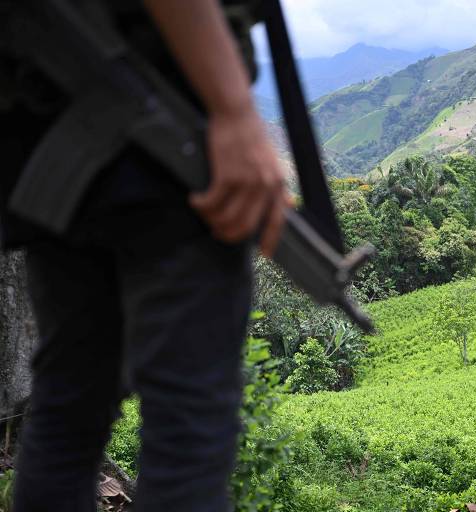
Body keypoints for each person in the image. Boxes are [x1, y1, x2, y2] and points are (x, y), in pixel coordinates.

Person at [2, 1, 289, 510]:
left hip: (47, 142)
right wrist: (233, 109)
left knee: (70, 405)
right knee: (187, 427)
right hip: (163, 144)